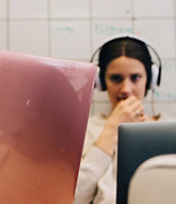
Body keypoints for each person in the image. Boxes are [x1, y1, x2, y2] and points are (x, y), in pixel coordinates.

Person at [74, 36, 173, 204]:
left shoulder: (169, 129)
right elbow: (73, 198)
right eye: (116, 78)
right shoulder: (86, 129)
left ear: (150, 80)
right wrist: (111, 129)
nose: (126, 89)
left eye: (135, 78)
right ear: (101, 82)